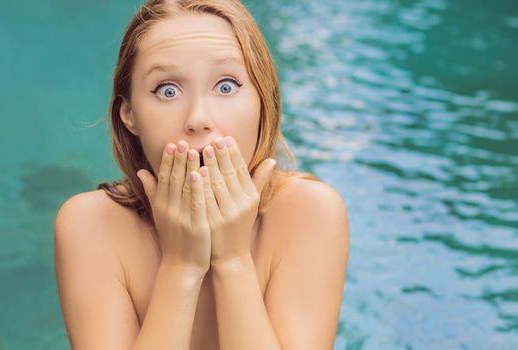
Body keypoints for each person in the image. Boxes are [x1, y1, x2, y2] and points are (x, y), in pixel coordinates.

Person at [53, 0, 350, 349]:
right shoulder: (90, 225)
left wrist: (233, 260)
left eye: (226, 86)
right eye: (167, 90)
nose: (197, 118)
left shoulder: (310, 213)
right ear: (129, 114)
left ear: (263, 100)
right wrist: (181, 266)